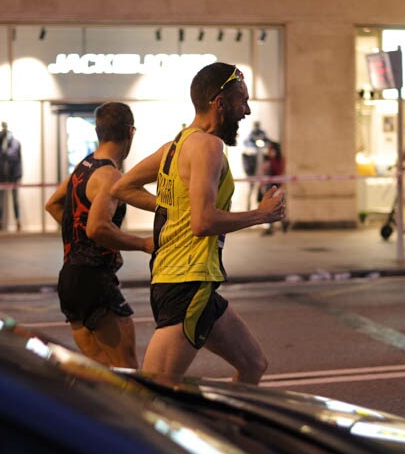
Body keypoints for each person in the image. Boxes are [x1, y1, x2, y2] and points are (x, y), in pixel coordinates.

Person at [111, 62, 285, 384]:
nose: (246, 111)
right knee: (151, 394)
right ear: (219, 103)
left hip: (193, 281)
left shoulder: (175, 146)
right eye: (242, 101)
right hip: (185, 283)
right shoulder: (208, 146)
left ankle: (230, 430)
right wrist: (262, 215)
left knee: (253, 364)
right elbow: (203, 223)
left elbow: (122, 187)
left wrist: (175, 208)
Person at [45, 103, 154, 369]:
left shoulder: (83, 168)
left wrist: (82, 240)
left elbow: (53, 204)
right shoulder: (109, 176)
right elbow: (98, 228)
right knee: (127, 371)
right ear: (130, 132)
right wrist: (143, 244)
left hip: (71, 279)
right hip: (94, 281)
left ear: (99, 132)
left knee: (100, 373)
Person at [0, 122, 23, 231]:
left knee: (15, 200)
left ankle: (18, 220)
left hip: (13, 176)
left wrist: (19, 175)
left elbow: (19, 161)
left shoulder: (16, 143)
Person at [259, 141, 289, 235]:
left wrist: (272, 160)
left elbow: (279, 170)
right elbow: (263, 172)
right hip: (268, 186)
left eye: (271, 148)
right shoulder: (267, 159)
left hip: (277, 186)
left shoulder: (279, 159)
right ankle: (271, 227)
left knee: (276, 206)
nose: (269, 150)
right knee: (269, 206)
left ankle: (283, 223)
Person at [241, 121, 271, 209]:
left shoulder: (262, 134)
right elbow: (246, 142)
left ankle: (262, 207)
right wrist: (252, 144)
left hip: (260, 165)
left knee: (263, 190)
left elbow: (267, 142)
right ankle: (248, 206)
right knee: (251, 189)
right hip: (253, 167)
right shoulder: (252, 135)